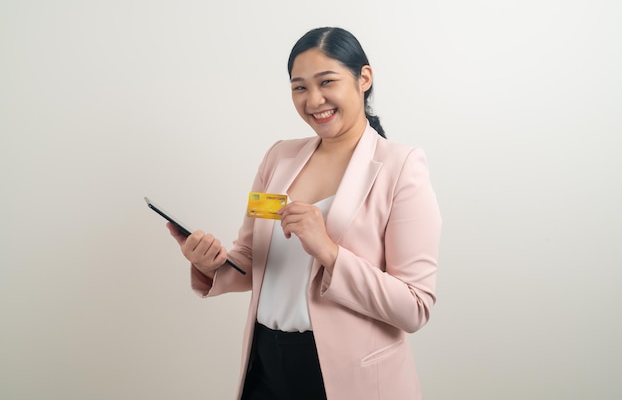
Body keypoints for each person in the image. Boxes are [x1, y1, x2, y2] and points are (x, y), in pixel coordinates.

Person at [167, 26, 442, 400]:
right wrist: (211, 264)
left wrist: (328, 250)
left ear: (364, 78)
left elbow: (415, 306)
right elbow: (250, 257)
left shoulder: (401, 166)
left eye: (326, 81)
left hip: (347, 376)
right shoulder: (279, 157)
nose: (313, 100)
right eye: (299, 87)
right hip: (264, 362)